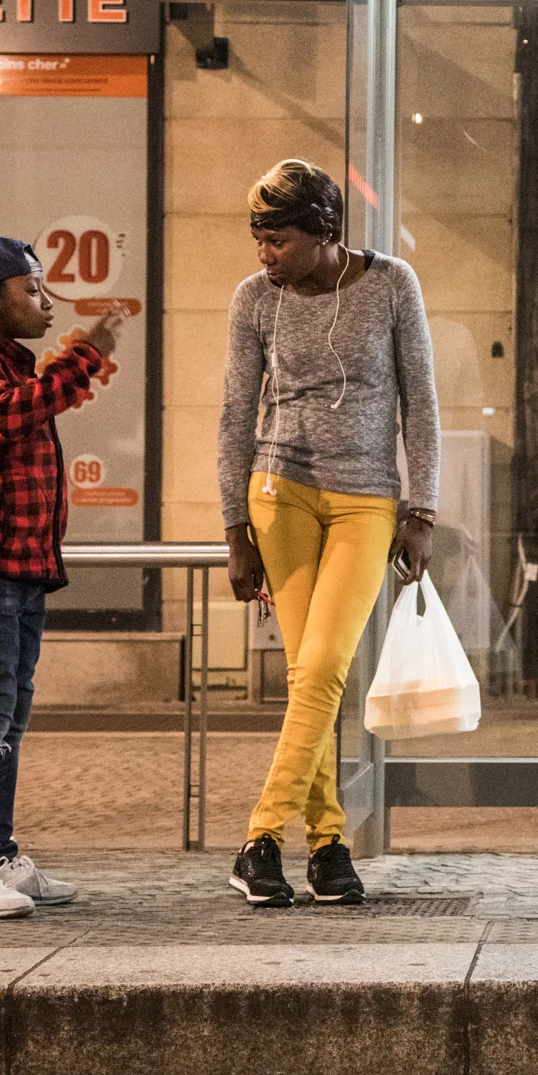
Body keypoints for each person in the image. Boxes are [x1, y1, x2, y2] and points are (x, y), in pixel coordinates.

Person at [219, 158, 440, 907]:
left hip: (366, 500)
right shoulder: (254, 300)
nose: (264, 253)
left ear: (323, 232)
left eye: (277, 239)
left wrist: (422, 509)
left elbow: (423, 405)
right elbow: (233, 416)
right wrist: (233, 528)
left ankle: (258, 835)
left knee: (322, 667)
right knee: (310, 674)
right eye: (258, 238)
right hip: (278, 495)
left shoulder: (391, 284)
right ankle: (328, 847)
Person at [0, 236, 123, 918]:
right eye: (32, 291)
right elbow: (15, 416)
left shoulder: (8, 362)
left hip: (21, 569)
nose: (46, 303)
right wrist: (86, 356)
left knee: (9, 714)